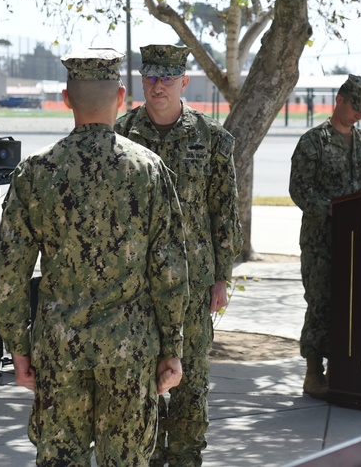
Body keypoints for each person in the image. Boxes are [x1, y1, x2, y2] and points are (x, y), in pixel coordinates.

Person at [0, 48, 190, 467]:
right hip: (130, 350)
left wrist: (18, 347)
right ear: (121, 97)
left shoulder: (35, 173)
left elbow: (11, 272)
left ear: (67, 98)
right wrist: (172, 347)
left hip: (59, 348)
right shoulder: (149, 170)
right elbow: (169, 270)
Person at [115, 44, 242, 467]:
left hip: (193, 284)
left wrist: (222, 277)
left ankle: (186, 459)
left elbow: (224, 213)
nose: (157, 86)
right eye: (150, 77)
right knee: (140, 382)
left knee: (191, 384)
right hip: (136, 286)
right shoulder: (119, 135)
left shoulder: (212, 139)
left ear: (185, 81)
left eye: (167, 78)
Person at [288, 74, 361, 399]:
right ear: (339, 100)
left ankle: (348, 368)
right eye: (354, 107)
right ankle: (314, 373)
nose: (358, 114)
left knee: (354, 303)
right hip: (321, 241)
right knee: (320, 302)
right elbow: (299, 189)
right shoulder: (313, 142)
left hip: (358, 241)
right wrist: (329, 210)